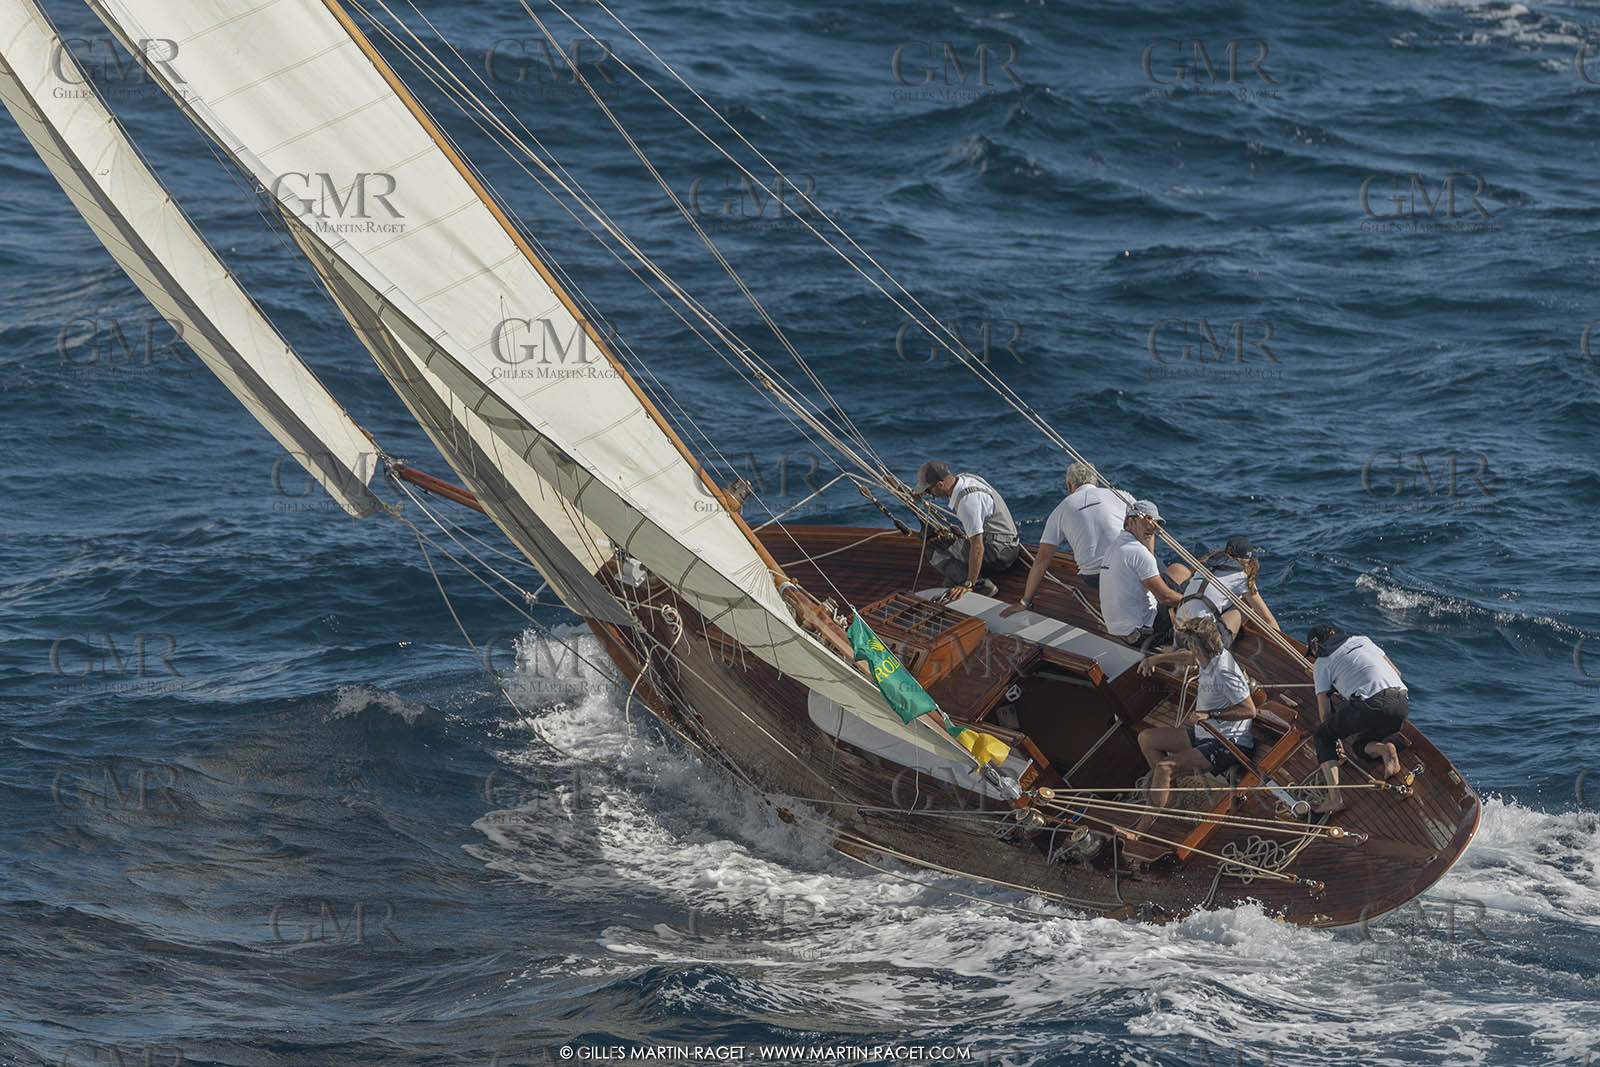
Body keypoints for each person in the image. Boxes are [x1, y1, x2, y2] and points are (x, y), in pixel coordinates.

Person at [1131, 616, 1258, 825]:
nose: (1190, 649)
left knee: (1164, 767)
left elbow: (1249, 710)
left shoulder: (1225, 672)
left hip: (1227, 744)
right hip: (1205, 732)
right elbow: (1189, 658)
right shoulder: (1207, 656)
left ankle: (1142, 831)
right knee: (1146, 739)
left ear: (1198, 647)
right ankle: (1169, 799)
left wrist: (1211, 715)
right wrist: (1157, 659)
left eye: (1191, 644)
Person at [1002, 462, 1130, 618]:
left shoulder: (1060, 510)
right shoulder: (1121, 496)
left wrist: (1025, 601)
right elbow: (1147, 528)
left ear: (1069, 486)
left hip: (1094, 577)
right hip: (1127, 565)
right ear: (1097, 483)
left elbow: (1041, 561)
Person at [1306, 623, 1409, 814]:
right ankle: (1385, 750)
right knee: (1360, 746)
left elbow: (1325, 714)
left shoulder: (1322, 663)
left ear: (1315, 646)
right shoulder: (1363, 640)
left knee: (1322, 736)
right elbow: (1397, 673)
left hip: (1371, 705)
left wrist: (1334, 740)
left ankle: (1334, 799)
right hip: (1401, 703)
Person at [911, 460, 1020, 600]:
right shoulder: (966, 478)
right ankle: (955, 582)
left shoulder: (967, 503)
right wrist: (922, 492)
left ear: (940, 485)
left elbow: (978, 546)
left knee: (934, 549)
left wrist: (969, 583)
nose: (929, 494)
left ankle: (981, 586)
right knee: (950, 571)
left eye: (928, 490)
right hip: (1007, 544)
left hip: (999, 553)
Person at [1099, 500, 1184, 647]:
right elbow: (1165, 597)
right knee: (1184, 584)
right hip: (1142, 636)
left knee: (1172, 573)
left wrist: (1148, 533)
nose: (1152, 528)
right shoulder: (1138, 552)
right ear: (1130, 522)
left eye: (1155, 524)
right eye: (1147, 522)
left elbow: (1151, 562)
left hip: (1120, 630)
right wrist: (1196, 600)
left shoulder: (1113, 547)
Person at [1167, 535, 1281, 644]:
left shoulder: (1204, 568)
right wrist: (1284, 646)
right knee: (1247, 604)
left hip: (1178, 636)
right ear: (1248, 561)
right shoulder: (1242, 576)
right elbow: (1267, 618)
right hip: (1203, 643)